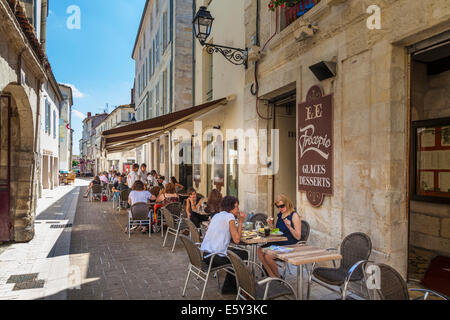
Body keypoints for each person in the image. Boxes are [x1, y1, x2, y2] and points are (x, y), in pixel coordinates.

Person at [200, 196, 248, 294]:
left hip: (206, 254)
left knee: (237, 253)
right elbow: (237, 240)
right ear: (230, 208)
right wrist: (240, 221)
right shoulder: (230, 217)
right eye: (236, 207)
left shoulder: (217, 215)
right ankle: (231, 287)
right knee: (243, 254)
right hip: (214, 257)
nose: (238, 209)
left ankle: (230, 286)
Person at [257, 194, 302, 278]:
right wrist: (270, 225)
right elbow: (277, 231)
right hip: (279, 242)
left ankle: (277, 278)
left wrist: (289, 227)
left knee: (267, 256)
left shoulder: (294, 215)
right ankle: (271, 275)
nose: (280, 208)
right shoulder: (280, 215)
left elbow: (298, 237)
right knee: (259, 250)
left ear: (287, 203)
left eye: (282, 206)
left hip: (289, 244)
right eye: (278, 206)